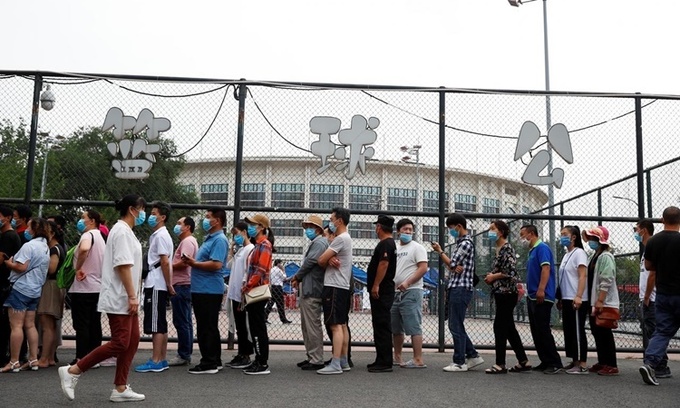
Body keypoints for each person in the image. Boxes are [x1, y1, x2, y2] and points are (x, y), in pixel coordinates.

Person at [58, 194, 146, 402]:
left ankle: (120, 387)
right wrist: (132, 296)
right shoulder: (121, 232)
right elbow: (123, 265)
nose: (143, 213)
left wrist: (133, 296)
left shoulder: (125, 231)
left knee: (132, 341)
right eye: (142, 209)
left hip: (125, 295)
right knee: (121, 342)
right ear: (132, 209)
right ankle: (73, 371)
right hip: (120, 296)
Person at [433, 213, 484, 372]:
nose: (451, 231)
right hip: (458, 287)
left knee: (455, 325)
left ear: (459, 226)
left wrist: (440, 251)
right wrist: (452, 266)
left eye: (451, 228)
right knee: (456, 324)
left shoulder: (465, 244)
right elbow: (452, 266)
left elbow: (452, 263)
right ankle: (473, 355)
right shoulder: (461, 243)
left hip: (460, 288)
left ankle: (460, 361)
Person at [182, 208, 229, 374]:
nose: (206, 220)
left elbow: (216, 264)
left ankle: (208, 362)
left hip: (208, 290)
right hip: (203, 288)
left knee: (206, 326)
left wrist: (194, 263)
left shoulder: (219, 240)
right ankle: (214, 359)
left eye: (208, 217)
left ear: (217, 220)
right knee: (208, 325)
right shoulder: (210, 238)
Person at [1, 218, 50, 373]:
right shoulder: (45, 247)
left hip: (21, 288)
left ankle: (14, 361)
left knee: (16, 325)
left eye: (29, 227)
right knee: (30, 324)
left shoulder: (29, 246)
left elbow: (21, 267)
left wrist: (9, 263)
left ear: (34, 229)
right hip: (35, 290)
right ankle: (33, 359)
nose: (27, 230)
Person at [483, 220, 530, 374]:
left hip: (507, 293)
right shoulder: (498, 249)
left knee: (500, 326)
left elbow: (509, 271)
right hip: (501, 292)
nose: (490, 232)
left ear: (501, 232)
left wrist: (493, 276)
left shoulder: (507, 248)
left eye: (493, 229)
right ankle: (523, 361)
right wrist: (492, 276)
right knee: (509, 327)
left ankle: (500, 364)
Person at [640, 207, 680, 386]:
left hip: (663, 294)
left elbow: (649, 266)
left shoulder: (654, 241)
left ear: (662, 220)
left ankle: (650, 364)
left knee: (662, 331)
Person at [135, 201, 174, 373]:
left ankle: (156, 360)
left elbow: (164, 261)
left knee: (156, 323)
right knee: (160, 322)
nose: (150, 217)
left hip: (156, 283)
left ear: (162, 217)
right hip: (158, 282)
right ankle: (162, 358)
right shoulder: (159, 235)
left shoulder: (160, 236)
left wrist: (169, 283)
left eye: (154, 214)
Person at [518, 224, 563, 374]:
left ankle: (555, 362)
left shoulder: (542, 248)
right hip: (532, 295)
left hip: (542, 295)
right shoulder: (532, 251)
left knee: (543, 330)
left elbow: (546, 268)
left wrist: (541, 289)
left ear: (531, 234)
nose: (521, 238)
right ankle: (545, 360)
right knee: (536, 330)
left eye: (523, 234)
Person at [317, 207, 352, 375]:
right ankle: (343, 360)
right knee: (342, 324)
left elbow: (321, 260)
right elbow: (326, 258)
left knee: (335, 325)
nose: (330, 222)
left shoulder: (340, 239)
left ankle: (336, 362)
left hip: (334, 286)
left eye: (331, 220)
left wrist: (327, 257)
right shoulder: (346, 238)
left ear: (340, 221)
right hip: (342, 286)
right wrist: (329, 257)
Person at [69, 210, 106, 365]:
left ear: (92, 221)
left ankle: (82, 357)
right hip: (97, 287)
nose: (81, 220)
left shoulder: (87, 235)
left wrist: (78, 268)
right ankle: (94, 357)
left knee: (82, 324)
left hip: (83, 287)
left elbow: (84, 249)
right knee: (94, 323)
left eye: (83, 218)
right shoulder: (101, 238)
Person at [291, 215, 328, 371]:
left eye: (310, 227)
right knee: (307, 326)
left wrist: (297, 276)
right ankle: (311, 356)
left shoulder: (319, 243)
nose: (307, 230)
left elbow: (310, 262)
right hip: (309, 287)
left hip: (312, 289)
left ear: (318, 229)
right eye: (306, 227)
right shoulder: (317, 242)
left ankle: (316, 359)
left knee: (312, 325)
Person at [636, 219, 670, 379]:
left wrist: (647, 296)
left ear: (644, 230)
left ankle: (661, 365)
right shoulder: (647, 250)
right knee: (651, 331)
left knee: (655, 332)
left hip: (653, 298)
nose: (636, 233)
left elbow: (652, 275)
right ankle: (658, 364)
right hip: (648, 297)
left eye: (637, 229)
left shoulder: (652, 247)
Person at [583, 225, 619, 376]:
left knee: (604, 332)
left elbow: (607, 279)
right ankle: (603, 361)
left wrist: (600, 300)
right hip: (595, 300)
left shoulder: (606, 256)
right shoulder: (596, 255)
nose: (590, 241)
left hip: (603, 300)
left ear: (599, 240)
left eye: (593, 238)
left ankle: (611, 364)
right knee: (597, 331)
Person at [392, 218, 428, 370]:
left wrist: (407, 282)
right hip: (394, 292)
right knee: (396, 327)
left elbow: (423, 268)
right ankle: (397, 356)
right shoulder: (394, 248)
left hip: (411, 291)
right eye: (405, 229)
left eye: (410, 229)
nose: (408, 232)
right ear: (398, 231)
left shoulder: (417, 248)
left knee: (413, 325)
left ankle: (418, 358)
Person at [242, 213, 275, 375]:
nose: (250, 228)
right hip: (253, 289)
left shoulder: (265, 245)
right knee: (255, 326)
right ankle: (259, 359)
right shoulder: (258, 245)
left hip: (257, 290)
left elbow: (260, 269)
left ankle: (262, 362)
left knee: (258, 327)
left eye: (253, 225)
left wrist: (248, 285)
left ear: (261, 227)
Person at [365, 215, 396, 373]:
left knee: (382, 324)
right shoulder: (388, 243)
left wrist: (376, 284)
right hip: (383, 290)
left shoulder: (386, 244)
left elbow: (383, 264)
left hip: (382, 290)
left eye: (376, 226)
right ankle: (381, 358)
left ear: (379, 227)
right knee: (378, 324)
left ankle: (385, 361)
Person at [557, 225, 589, 374]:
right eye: (561, 234)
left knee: (577, 331)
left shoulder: (579, 253)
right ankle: (574, 360)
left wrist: (579, 296)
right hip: (566, 297)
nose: (562, 237)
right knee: (569, 331)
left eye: (565, 234)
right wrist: (561, 298)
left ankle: (582, 364)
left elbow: (583, 275)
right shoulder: (566, 255)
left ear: (573, 237)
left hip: (576, 298)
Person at [223, 221, 255, 369]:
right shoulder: (241, 250)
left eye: (236, 233)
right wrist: (231, 249)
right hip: (235, 293)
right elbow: (229, 265)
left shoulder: (250, 249)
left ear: (244, 232)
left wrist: (244, 287)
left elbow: (248, 271)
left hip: (243, 293)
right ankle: (241, 353)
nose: (235, 237)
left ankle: (246, 354)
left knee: (244, 325)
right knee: (239, 325)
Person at [168, 216, 198, 367]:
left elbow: (185, 262)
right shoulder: (188, 241)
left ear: (187, 227)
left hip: (182, 285)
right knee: (185, 321)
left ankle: (184, 354)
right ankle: (186, 353)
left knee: (181, 321)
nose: (177, 225)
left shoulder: (187, 242)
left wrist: (169, 266)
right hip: (184, 285)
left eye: (179, 223)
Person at [36, 220, 66, 368]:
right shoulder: (59, 247)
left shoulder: (54, 249)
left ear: (52, 233)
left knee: (47, 323)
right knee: (52, 324)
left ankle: (44, 358)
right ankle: (50, 357)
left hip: (50, 286)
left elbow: (52, 269)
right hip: (56, 286)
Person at [0, 205, 22, 367]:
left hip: (4, 283)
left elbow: (2, 258)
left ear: (7, 218)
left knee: (3, 322)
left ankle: (3, 354)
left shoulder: (9, 237)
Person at [265, 259, 292, 324]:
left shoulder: (271, 270)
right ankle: (283, 319)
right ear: (278, 264)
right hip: (278, 288)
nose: (282, 265)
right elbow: (284, 278)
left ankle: (264, 317)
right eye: (281, 263)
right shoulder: (279, 270)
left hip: (273, 287)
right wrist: (284, 270)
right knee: (280, 304)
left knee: (270, 303)